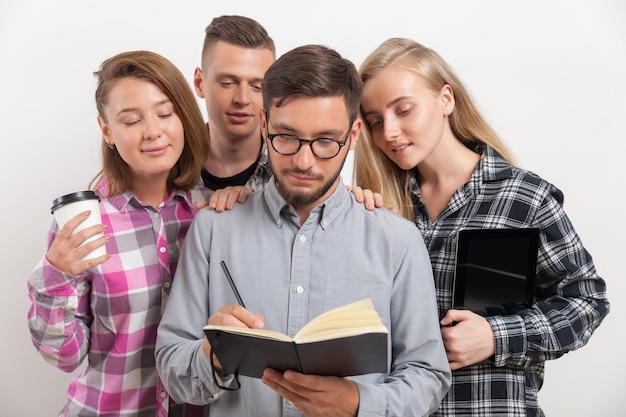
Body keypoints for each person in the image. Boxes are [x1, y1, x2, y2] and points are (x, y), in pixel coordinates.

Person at [155, 44, 451, 417]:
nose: (304, 161)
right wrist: (211, 356)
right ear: (264, 125)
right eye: (286, 137)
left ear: (354, 134)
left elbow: (428, 375)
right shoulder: (214, 229)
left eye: (326, 141)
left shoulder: (397, 240)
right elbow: (170, 366)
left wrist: (358, 404)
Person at [354, 37, 610, 416]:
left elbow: (587, 301)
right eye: (375, 121)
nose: (389, 132)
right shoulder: (378, 209)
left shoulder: (524, 197)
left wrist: (495, 336)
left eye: (403, 110)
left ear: (446, 99)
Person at [27, 50, 212, 417]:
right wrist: (54, 276)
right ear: (107, 130)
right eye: (131, 121)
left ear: (185, 118)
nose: (153, 131)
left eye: (165, 113)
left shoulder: (211, 212)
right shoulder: (83, 223)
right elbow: (65, 357)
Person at [194, 15, 275, 201]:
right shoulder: (167, 165)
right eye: (228, 83)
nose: (242, 99)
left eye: (257, 86)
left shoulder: (294, 170)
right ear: (200, 83)